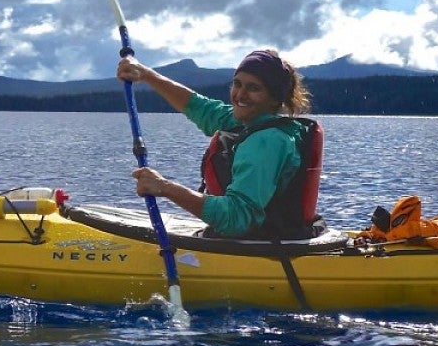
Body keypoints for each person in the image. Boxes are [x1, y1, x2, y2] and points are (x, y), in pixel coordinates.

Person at [116, 49, 324, 239]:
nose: (240, 95)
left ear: (274, 98)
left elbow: (236, 218)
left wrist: (165, 188)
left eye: (253, 88)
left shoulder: (267, 141)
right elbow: (200, 107)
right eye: (237, 84)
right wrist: (145, 74)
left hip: (264, 250)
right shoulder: (251, 120)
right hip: (269, 240)